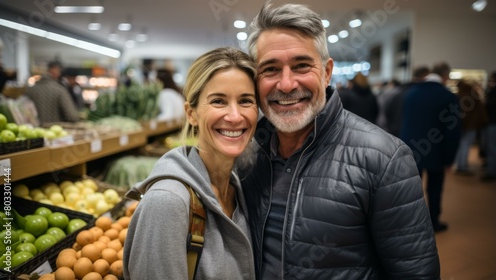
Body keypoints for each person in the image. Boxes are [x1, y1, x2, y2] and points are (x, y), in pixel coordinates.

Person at [239, 1, 440, 279]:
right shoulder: (246, 155)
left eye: (301, 66)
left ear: (326, 72)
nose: (286, 85)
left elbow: (415, 272)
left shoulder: (384, 158)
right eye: (270, 69)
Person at [123, 47, 257, 279]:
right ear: (191, 113)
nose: (235, 116)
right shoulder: (168, 202)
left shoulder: (238, 187)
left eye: (246, 101)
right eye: (218, 101)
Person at [400, 61, 462, 232]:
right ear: (445, 76)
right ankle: (433, 222)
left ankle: (409, 223)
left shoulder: (411, 94)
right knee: (434, 189)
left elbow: (404, 124)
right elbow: (452, 132)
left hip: (411, 150)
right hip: (438, 152)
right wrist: (450, 158)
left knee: (411, 190)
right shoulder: (448, 96)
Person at [453, 79, 488, 175]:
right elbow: (480, 110)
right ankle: (463, 166)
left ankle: (459, 165)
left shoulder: (459, 96)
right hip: (472, 125)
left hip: (463, 125)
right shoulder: (473, 94)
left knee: (461, 146)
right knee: (466, 145)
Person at [481, 71, 496, 181]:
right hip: (491, 122)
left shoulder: (493, 92)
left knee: (492, 148)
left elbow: (489, 105)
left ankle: (491, 172)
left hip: (492, 122)